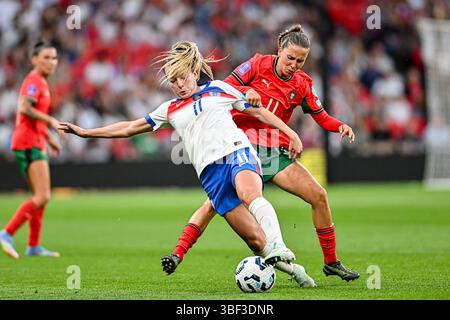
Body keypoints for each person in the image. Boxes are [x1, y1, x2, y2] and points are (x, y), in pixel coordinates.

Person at [59, 41, 316, 287]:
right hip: (211, 175)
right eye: (173, 80)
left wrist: (290, 133)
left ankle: (280, 244)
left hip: (237, 153)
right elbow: (129, 127)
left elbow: (258, 110)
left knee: (250, 194)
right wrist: (86, 132)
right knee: (256, 241)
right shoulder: (169, 109)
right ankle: (295, 270)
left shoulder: (219, 89)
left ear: (194, 72)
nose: (180, 85)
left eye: (183, 77)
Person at [163, 25, 360, 283]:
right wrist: (248, 91)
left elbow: (321, 117)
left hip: (272, 151)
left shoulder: (302, 85)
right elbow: (224, 86)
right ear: (279, 51)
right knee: (214, 204)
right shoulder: (256, 65)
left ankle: (331, 262)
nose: (294, 64)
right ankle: (179, 252)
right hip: (237, 143)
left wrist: (339, 126)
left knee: (319, 196)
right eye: (290, 58)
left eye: (300, 61)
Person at [0, 41, 63, 258]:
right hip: (28, 142)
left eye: (54, 58)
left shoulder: (42, 82)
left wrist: (48, 137)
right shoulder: (33, 81)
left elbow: (33, 115)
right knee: (43, 195)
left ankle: (33, 246)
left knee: (40, 195)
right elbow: (25, 108)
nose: (51, 62)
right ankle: (6, 233)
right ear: (34, 59)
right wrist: (52, 122)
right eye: (46, 57)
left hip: (35, 140)